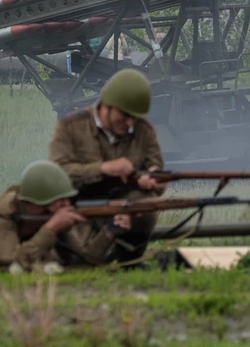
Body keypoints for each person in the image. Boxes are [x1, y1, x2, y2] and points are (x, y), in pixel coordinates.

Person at [48, 68, 163, 264]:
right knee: (80, 260)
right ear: (107, 106)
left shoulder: (144, 131)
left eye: (134, 117)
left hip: (123, 201)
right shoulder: (71, 126)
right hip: (77, 201)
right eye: (124, 115)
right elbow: (57, 173)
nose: (130, 123)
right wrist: (102, 168)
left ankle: (131, 260)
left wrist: (152, 180)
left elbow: (157, 171)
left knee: (145, 203)